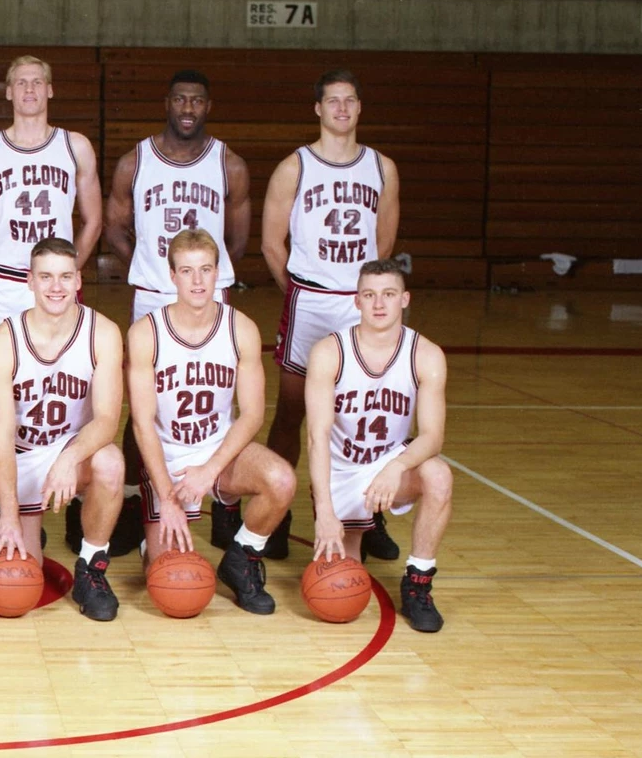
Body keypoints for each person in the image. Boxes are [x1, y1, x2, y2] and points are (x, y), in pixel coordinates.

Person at [0, 54, 103, 552]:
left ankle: (81, 499)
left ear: (50, 90)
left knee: (77, 388)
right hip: (9, 285)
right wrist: (9, 265)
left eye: (38, 82)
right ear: (9, 92)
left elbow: (93, 219)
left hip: (60, 283)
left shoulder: (74, 146)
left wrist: (62, 274)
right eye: (21, 83)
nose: (30, 91)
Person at [104, 69, 252, 557]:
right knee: (143, 403)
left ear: (208, 107)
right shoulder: (135, 162)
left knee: (218, 395)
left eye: (198, 101)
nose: (188, 109)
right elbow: (115, 227)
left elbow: (236, 238)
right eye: (180, 100)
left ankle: (224, 504)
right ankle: (135, 499)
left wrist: (207, 276)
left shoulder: (228, 164)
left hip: (207, 287)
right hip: (154, 289)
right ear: (166, 103)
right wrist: (152, 270)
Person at [261, 69, 402, 560]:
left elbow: (384, 242)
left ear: (359, 108)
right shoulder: (294, 167)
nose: (341, 108)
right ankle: (274, 513)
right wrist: (301, 290)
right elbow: (271, 243)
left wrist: (363, 295)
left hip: (361, 302)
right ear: (318, 109)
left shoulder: (382, 167)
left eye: (350, 101)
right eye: (332, 101)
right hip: (311, 301)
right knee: (293, 412)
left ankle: (369, 513)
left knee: (366, 413)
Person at [125, 230, 295, 614]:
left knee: (281, 480)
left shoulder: (241, 328)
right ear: (172, 276)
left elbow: (252, 414)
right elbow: (141, 424)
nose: (198, 281)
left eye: (205, 269)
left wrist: (209, 470)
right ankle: (148, 539)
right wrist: (168, 496)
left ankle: (242, 557)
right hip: (166, 454)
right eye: (187, 271)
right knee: (169, 579)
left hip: (219, 451)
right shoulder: (146, 333)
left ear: (219, 272)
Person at [0, 238, 125, 622]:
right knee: (20, 584)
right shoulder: (3, 341)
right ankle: (24, 525)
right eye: (45, 277)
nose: (55, 287)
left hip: (74, 452)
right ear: (30, 281)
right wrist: (8, 513)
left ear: (79, 280)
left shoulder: (103, 333)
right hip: (23, 457)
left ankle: (92, 567)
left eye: (64, 276)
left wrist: (70, 456)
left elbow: (108, 419)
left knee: (110, 462)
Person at [304, 259, 450, 632]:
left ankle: (418, 583)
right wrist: (324, 511)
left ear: (405, 299)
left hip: (389, 464)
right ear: (357, 301)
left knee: (438, 475)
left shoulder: (426, 355)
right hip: (341, 471)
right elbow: (316, 437)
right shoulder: (329, 352)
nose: (379, 304)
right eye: (369, 295)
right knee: (341, 586)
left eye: (388, 294)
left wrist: (395, 467)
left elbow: (433, 436)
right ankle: (360, 524)